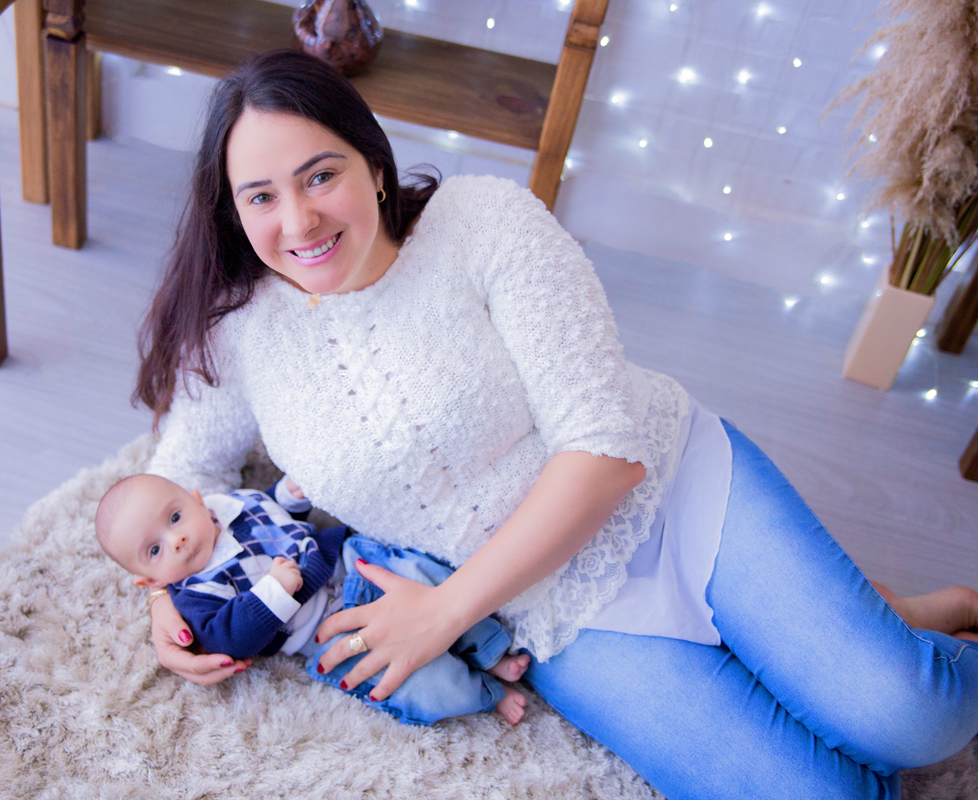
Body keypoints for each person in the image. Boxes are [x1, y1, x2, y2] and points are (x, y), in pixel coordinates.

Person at [133, 49, 978, 800]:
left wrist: (441, 613)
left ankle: (896, 626)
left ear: (374, 164)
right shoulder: (240, 332)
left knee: (914, 722)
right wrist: (169, 607)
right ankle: (872, 616)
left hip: (677, 497)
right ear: (233, 211)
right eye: (261, 196)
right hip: (557, 621)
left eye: (321, 175)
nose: (299, 221)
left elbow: (604, 452)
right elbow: (180, 481)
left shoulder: (481, 221)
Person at [95, 472, 532, 725]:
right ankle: (484, 692)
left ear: (193, 497)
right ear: (146, 580)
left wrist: (287, 499)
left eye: (175, 516)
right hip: (321, 630)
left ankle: (487, 648)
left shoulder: (227, 506)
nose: (179, 539)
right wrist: (270, 593)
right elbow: (231, 639)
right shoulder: (195, 595)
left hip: (347, 564)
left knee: (427, 575)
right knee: (417, 684)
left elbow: (272, 519)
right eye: (155, 550)